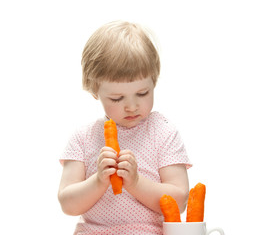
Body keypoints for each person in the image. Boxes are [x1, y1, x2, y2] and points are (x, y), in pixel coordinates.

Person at [58, 21, 192, 235]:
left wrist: (136, 183)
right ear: (95, 91)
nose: (132, 106)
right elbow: (68, 203)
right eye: (117, 98)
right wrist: (99, 181)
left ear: (154, 82)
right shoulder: (83, 137)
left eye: (142, 94)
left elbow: (180, 201)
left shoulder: (163, 132)